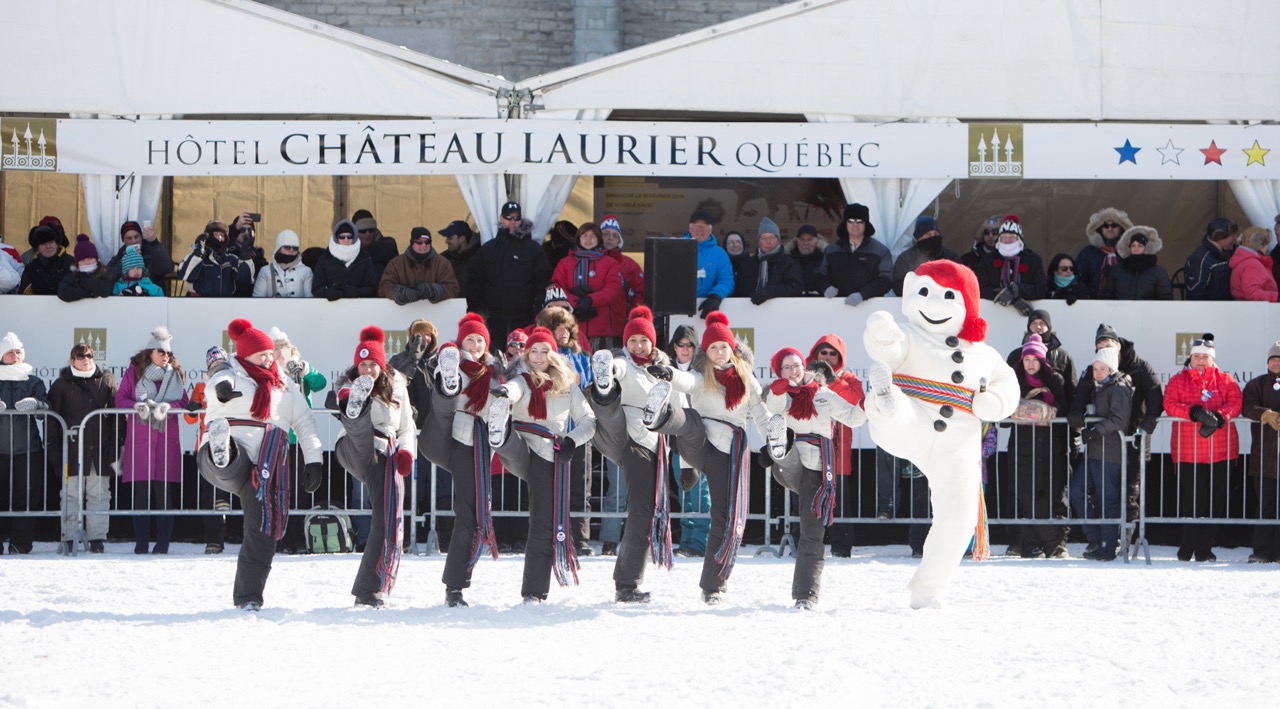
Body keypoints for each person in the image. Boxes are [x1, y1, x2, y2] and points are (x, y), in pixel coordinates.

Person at [861, 260, 1020, 609]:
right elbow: (889, 349)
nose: (934, 304)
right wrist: (882, 333)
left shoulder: (983, 353)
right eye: (924, 292)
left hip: (958, 441)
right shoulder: (910, 334)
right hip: (916, 416)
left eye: (948, 296)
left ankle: (928, 589)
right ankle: (886, 401)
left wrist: (993, 401)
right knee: (897, 416)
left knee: (961, 515)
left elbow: (1008, 384)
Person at [641, 312, 769, 605]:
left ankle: (713, 586)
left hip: (727, 452)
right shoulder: (701, 376)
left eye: (723, 347)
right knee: (689, 419)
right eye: (713, 348)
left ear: (731, 349)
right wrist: (669, 374)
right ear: (706, 352)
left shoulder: (746, 378)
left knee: (723, 517)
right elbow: (685, 381)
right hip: (699, 442)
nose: (719, 352)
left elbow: (761, 416)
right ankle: (659, 415)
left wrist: (773, 443)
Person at [199, 319, 324, 610]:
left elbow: (305, 422)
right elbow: (216, 386)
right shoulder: (229, 373)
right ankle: (223, 449)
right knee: (233, 463)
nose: (269, 359)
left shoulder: (285, 385)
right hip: (233, 451)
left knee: (264, 531)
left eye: (270, 354)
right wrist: (221, 390)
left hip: (266, 465)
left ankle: (249, 597)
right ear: (245, 355)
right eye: (261, 355)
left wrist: (314, 460)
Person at [488, 326, 597, 603]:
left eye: (543, 351)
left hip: (548, 453)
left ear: (552, 355)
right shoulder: (522, 379)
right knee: (511, 445)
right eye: (533, 351)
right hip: (522, 442)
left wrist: (572, 440)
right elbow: (514, 389)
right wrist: (504, 394)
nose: (538, 357)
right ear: (526, 354)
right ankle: (499, 432)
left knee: (543, 523)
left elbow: (589, 420)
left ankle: (534, 591)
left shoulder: (567, 385)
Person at [762, 347, 867, 609]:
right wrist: (777, 389)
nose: (793, 371)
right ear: (780, 372)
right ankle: (778, 447)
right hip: (791, 460)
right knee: (785, 452)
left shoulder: (823, 394)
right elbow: (774, 407)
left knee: (812, 532)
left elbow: (852, 418)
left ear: (805, 366)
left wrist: (869, 403)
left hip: (817, 467)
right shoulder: (782, 395)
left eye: (796, 365)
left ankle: (805, 595)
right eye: (786, 367)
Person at [587, 306, 672, 602]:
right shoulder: (625, 364)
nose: (638, 346)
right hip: (634, 441)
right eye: (632, 340)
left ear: (653, 342)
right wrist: (609, 371)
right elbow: (619, 367)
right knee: (642, 511)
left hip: (656, 445)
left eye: (643, 340)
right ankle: (626, 584)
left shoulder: (661, 370)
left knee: (644, 511)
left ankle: (627, 581)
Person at [421, 313, 505, 607]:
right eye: (470, 339)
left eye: (480, 340)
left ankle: (457, 582)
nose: (476, 345)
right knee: (468, 513)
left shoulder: (494, 369)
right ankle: (454, 586)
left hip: (485, 445)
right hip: (461, 439)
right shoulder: (455, 362)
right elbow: (439, 372)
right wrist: (447, 362)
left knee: (475, 512)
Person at [330, 326, 417, 607]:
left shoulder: (398, 385)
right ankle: (355, 406)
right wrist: (346, 398)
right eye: (362, 365)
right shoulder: (347, 381)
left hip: (384, 452)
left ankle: (369, 589)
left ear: (382, 365)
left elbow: (406, 426)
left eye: (372, 365)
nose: (367, 370)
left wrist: (406, 452)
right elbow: (338, 393)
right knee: (358, 425)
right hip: (353, 446)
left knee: (386, 517)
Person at [1067, 324, 1163, 530]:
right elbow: (1081, 394)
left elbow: (1155, 394)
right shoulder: (1095, 368)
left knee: (1129, 492)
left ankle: (1124, 541)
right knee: (1097, 493)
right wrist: (1075, 411)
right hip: (1104, 441)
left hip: (1134, 439)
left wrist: (1149, 420)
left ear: (1118, 345)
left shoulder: (1139, 366)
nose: (1105, 350)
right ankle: (1102, 538)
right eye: (1100, 346)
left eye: (1108, 345)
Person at [1162, 335, 1242, 561]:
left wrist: (1219, 417)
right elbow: (1169, 404)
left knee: (1216, 500)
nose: (1200, 360)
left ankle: (1205, 548)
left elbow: (1236, 402)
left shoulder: (1226, 380)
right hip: (1189, 450)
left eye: (1205, 357)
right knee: (1193, 499)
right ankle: (1187, 545)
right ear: (1190, 357)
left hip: (1221, 451)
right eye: (1196, 356)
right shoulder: (1178, 380)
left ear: (1212, 359)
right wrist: (1194, 412)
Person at [116, 327, 190, 554]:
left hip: (166, 440)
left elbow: (184, 401)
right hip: (141, 440)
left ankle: (163, 544)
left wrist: (168, 406)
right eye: (161, 351)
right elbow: (120, 399)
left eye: (168, 352)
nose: (166, 356)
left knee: (164, 493)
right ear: (150, 352)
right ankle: (141, 543)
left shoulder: (174, 374)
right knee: (141, 493)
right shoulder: (133, 373)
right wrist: (136, 406)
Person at [47, 342, 121, 554]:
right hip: (71, 451)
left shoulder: (106, 380)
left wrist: (116, 444)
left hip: (99, 450)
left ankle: (97, 539)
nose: (86, 359)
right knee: (71, 495)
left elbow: (118, 416)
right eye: (80, 356)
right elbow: (52, 420)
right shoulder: (60, 385)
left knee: (100, 495)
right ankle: (69, 537)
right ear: (72, 360)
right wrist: (54, 450)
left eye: (89, 355)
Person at [534, 305, 593, 554]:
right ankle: (549, 536)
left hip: (577, 431)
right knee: (548, 488)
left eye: (567, 328)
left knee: (580, 488)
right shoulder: (540, 358)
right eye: (558, 328)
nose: (564, 332)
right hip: (548, 431)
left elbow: (587, 380)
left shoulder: (582, 356)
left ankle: (579, 540)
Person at [1068, 347, 1133, 561]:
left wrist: (1096, 430)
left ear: (1111, 369)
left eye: (1102, 369)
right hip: (1094, 450)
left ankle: (1107, 547)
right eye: (1095, 368)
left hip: (1110, 452)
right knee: (1076, 490)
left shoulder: (1119, 386)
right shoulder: (1101, 386)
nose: (1097, 373)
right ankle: (1095, 536)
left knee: (1108, 501)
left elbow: (1119, 419)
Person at [1008, 334, 1069, 559]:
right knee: (1027, 495)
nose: (1030, 363)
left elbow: (1065, 409)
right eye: (1027, 359)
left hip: (1050, 445)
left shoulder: (1055, 381)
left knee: (1051, 495)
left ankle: (1052, 544)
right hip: (1023, 445)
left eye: (1035, 359)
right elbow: (1005, 412)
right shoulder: (1013, 382)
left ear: (1043, 361)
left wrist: (1049, 407)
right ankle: (1042, 544)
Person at [806, 335, 864, 557]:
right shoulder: (805, 376)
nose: (828, 357)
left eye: (833, 353)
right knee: (807, 500)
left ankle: (841, 549)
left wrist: (832, 381)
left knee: (839, 503)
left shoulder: (849, 379)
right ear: (816, 354)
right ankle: (806, 546)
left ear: (840, 357)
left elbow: (856, 401)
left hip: (837, 453)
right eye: (824, 353)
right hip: (809, 449)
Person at [467, 201, 552, 348]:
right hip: (493, 319)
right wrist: (478, 313)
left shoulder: (533, 249)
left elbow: (543, 282)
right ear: (501, 218)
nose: (512, 222)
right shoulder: (488, 249)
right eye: (508, 217)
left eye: (516, 218)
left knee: (523, 357)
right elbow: (475, 282)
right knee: (493, 357)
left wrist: (537, 312)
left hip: (525, 318)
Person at [0, 332, 49, 554]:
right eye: (10, 352)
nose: (15, 356)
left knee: (26, 498)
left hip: (28, 449)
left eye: (18, 352)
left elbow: (46, 409)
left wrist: (36, 404)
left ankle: (20, 543)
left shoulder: (33, 381)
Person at [666, 324, 710, 557]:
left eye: (689, 345)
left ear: (695, 347)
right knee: (685, 489)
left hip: (699, 439)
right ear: (674, 347)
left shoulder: (703, 370)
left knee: (700, 492)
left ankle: (700, 541)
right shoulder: (666, 368)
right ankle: (687, 539)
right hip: (676, 440)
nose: (684, 349)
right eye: (680, 344)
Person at [551, 222, 626, 349]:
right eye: (584, 235)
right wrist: (575, 302)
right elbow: (557, 287)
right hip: (572, 326)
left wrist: (591, 300)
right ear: (578, 238)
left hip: (603, 327)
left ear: (599, 239)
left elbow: (614, 288)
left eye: (592, 236)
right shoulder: (565, 262)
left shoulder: (610, 263)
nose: (588, 239)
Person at [1242, 342, 1280, 563]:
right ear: (1267, 362)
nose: (1276, 363)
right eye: (1273, 359)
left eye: (1279, 360)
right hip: (1263, 456)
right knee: (1265, 504)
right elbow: (1247, 406)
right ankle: (1262, 551)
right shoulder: (1256, 384)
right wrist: (1266, 414)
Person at [815, 203, 892, 304]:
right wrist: (825, 287)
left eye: (860, 221)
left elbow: (886, 280)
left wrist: (863, 294)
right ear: (845, 224)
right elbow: (819, 275)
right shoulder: (831, 251)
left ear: (866, 224)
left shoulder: (881, 251)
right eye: (850, 221)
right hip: (836, 307)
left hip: (869, 306)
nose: (855, 225)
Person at [1005, 309, 1077, 407]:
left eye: (1042, 323)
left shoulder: (1063, 356)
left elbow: (1071, 389)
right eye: (1034, 323)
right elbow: (1005, 386)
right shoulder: (1015, 355)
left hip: (1055, 412)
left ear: (1049, 326)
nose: (1038, 327)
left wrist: (1072, 411)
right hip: (1020, 414)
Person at [975, 214, 1046, 307]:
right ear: (999, 239)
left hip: (1026, 312)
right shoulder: (987, 260)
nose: (1007, 240)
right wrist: (1009, 297)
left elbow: (1041, 289)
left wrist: (1018, 290)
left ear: (1019, 239)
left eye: (1012, 237)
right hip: (994, 310)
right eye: (1004, 237)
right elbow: (981, 288)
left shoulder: (1033, 260)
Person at [378, 226, 460, 306]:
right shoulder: (396, 263)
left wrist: (433, 290)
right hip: (403, 313)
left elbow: (453, 288)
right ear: (412, 243)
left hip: (434, 313)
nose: (424, 245)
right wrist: (400, 293)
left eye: (427, 242)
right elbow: (384, 287)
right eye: (419, 242)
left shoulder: (442, 263)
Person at [177, 220, 254, 297]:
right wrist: (197, 255)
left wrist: (245, 255)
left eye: (221, 235)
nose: (219, 237)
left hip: (224, 301)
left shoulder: (231, 259)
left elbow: (245, 281)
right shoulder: (194, 256)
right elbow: (184, 276)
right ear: (207, 236)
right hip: (198, 301)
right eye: (215, 234)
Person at [679, 209, 733, 317]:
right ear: (690, 228)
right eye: (696, 225)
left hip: (708, 311)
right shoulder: (677, 249)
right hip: (678, 309)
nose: (700, 229)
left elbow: (727, 280)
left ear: (710, 230)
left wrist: (715, 296)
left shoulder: (719, 254)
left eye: (704, 226)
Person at [737, 217, 803, 305]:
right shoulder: (747, 264)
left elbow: (796, 288)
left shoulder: (790, 263)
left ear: (778, 240)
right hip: (749, 309)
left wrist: (770, 292)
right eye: (764, 238)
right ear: (759, 240)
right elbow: (738, 290)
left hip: (782, 310)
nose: (768, 242)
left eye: (772, 237)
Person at [892, 215, 960, 297]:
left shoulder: (950, 257)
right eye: (929, 234)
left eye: (935, 234)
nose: (933, 237)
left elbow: (960, 279)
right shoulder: (906, 259)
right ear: (919, 238)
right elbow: (899, 284)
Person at [312, 220, 379, 300]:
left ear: (354, 237)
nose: (346, 240)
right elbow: (316, 288)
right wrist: (327, 292)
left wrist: (358, 292)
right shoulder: (325, 260)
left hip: (358, 306)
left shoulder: (364, 259)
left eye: (349, 237)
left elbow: (372, 288)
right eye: (342, 237)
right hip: (331, 306)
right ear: (336, 238)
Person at [1076, 207, 1134, 298]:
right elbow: (1078, 277)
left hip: (1124, 302)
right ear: (1100, 228)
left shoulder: (1130, 252)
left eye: (1114, 225)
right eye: (1106, 226)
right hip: (1093, 303)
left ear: (1121, 228)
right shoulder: (1087, 253)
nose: (1110, 229)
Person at [1103, 226, 1173, 301]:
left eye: (1140, 246)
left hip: (1148, 309)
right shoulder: (1117, 269)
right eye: (1133, 245)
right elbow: (1107, 295)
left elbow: (1165, 299)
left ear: (1146, 248)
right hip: (1122, 308)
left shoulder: (1159, 272)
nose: (1136, 248)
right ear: (1129, 248)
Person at [1184, 217, 1237, 301]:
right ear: (1220, 236)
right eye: (1232, 235)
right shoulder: (1200, 258)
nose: (1235, 239)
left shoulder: (1232, 252)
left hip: (1230, 307)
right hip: (1211, 308)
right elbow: (1195, 294)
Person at [599, 214, 644, 310]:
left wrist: (636, 315)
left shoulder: (631, 266)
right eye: (606, 234)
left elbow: (639, 294)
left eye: (615, 235)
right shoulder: (589, 261)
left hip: (621, 317)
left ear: (619, 241)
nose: (610, 238)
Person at [105, 220, 173, 284]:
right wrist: (127, 258)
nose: (134, 241)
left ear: (141, 236)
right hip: (126, 292)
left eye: (136, 237)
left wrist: (154, 242)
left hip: (151, 291)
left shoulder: (151, 250)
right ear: (123, 240)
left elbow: (167, 268)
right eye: (129, 238)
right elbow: (108, 277)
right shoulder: (120, 255)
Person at [253, 229, 314, 298]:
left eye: (295, 248)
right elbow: (257, 300)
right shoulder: (265, 271)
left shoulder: (306, 272)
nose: (291, 250)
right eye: (287, 247)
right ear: (278, 248)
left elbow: (310, 301)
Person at [18, 224, 72, 295]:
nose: (48, 246)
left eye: (51, 242)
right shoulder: (31, 269)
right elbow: (23, 294)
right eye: (43, 243)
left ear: (57, 243)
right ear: (37, 247)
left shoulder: (71, 263)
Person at [58, 234, 113, 302]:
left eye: (90, 258)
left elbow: (105, 290)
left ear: (96, 259)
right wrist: (90, 293)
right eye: (83, 260)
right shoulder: (72, 274)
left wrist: (81, 282)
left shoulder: (104, 271)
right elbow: (63, 292)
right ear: (77, 262)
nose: (87, 262)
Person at [1229, 226, 1278, 302]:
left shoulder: (1243, 260)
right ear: (1260, 245)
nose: (1267, 248)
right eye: (1266, 244)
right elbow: (1252, 293)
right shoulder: (1252, 264)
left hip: (1247, 307)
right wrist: (1276, 297)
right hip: (1258, 308)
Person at [439, 220, 478, 297]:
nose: (446, 241)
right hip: (448, 304)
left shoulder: (479, 258)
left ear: (462, 239)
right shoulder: (443, 258)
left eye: (450, 238)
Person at [354, 215, 398, 283]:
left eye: (371, 230)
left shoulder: (385, 248)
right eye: (363, 231)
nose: (367, 234)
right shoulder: (348, 252)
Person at [786, 224, 827, 296]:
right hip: (793, 301)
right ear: (797, 241)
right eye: (802, 239)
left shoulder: (825, 260)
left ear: (817, 242)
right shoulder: (788, 261)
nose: (805, 243)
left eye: (810, 239)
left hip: (820, 301)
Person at [724, 230, 752, 296]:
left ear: (743, 245)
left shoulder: (752, 264)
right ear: (725, 246)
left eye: (739, 242)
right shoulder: (720, 265)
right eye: (731, 243)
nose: (735, 245)